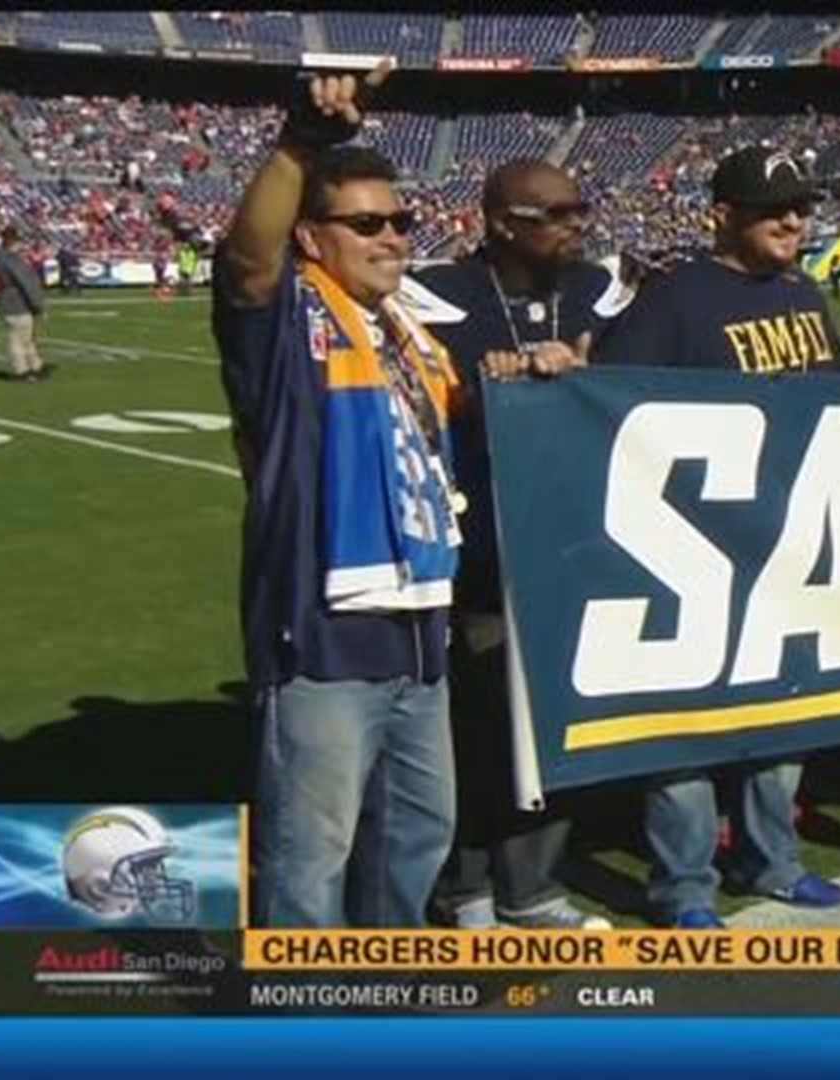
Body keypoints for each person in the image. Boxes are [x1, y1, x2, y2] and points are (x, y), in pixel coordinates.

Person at [213, 64, 462, 928]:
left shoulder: (413, 331)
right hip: (322, 642)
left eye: (401, 220)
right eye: (367, 224)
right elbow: (246, 262)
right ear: (312, 238)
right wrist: (298, 144)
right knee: (308, 862)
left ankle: (386, 1002)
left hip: (420, 636)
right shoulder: (287, 319)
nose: (393, 237)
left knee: (418, 839)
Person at [597, 144, 840, 928]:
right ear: (722, 216)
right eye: (773, 208)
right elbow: (608, 405)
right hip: (698, 554)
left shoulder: (806, 292)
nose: (792, 220)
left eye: (801, 208)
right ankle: (684, 889)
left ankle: (771, 861)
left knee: (784, 717)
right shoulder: (675, 300)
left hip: (788, 545)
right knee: (687, 732)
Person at [398, 159, 617, 931]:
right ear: (500, 221)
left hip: (576, 542)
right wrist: (475, 387)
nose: (576, 224)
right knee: (474, 728)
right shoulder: (439, 296)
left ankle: (532, 885)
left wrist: (589, 369)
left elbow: (643, 383)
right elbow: (404, 402)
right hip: (480, 546)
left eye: (580, 208)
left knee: (553, 722)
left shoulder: (595, 290)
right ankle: (463, 885)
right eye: (556, 212)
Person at [0, 226, 49, 383]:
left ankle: (36, 366)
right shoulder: (11, 259)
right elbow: (26, 283)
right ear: (14, 242)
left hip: (6, 301)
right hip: (17, 303)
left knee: (25, 337)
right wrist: (38, 304)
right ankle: (21, 371)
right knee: (18, 338)